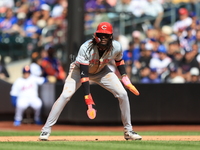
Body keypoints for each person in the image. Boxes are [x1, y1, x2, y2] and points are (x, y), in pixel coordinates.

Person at [39, 22, 142, 141]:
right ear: (95, 35)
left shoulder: (117, 46)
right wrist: (88, 97)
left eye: (106, 35)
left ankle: (128, 131)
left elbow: (119, 61)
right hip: (79, 71)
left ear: (111, 36)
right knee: (65, 95)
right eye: (101, 34)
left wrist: (125, 78)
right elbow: (84, 74)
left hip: (102, 71)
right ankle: (45, 130)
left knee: (123, 94)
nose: (103, 37)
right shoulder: (86, 47)